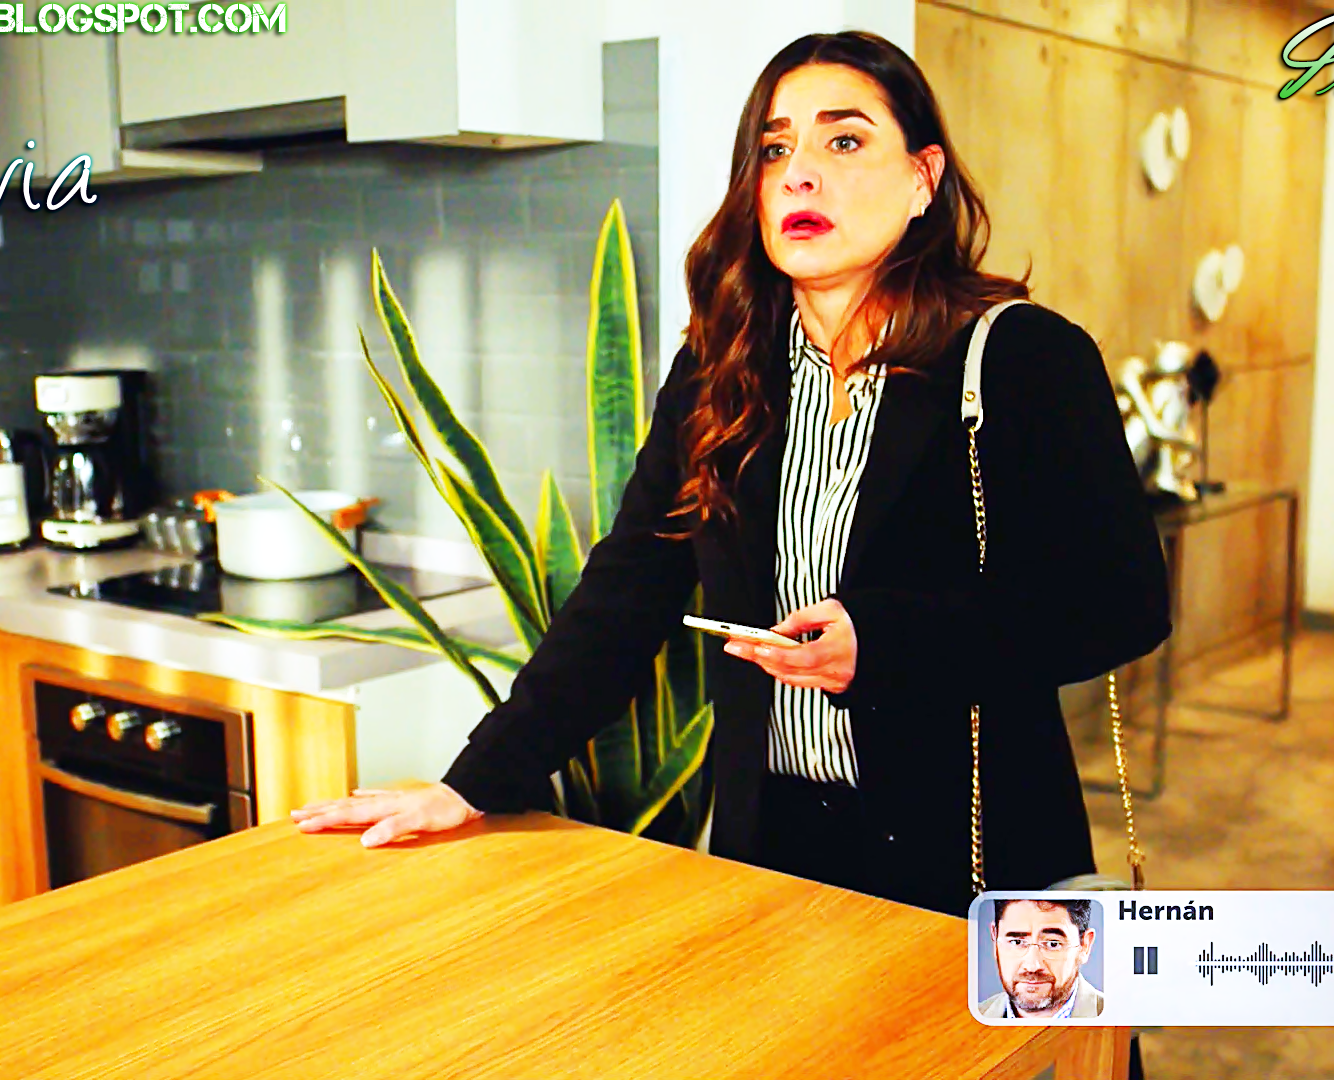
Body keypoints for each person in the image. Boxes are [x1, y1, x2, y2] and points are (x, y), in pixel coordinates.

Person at [292, 29, 1169, 927]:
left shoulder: (1024, 357)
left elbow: (1124, 603)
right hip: (777, 844)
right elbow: (626, 591)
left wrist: (886, 642)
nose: (800, 175)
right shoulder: (722, 370)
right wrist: (472, 783)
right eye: (776, 149)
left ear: (922, 177)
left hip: (975, 851)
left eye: (845, 140)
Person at [977, 899, 1104, 1020]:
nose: (1032, 966)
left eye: (1053, 944)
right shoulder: (972, 1019)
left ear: (1085, 946)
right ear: (995, 940)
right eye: (1016, 942)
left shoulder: (1115, 1019)